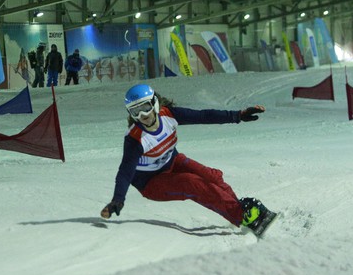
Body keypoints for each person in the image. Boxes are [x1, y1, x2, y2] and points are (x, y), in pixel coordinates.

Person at [100, 83, 270, 233]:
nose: (142, 115)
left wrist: (238, 115)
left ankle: (236, 207)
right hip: (151, 183)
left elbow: (204, 116)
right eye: (135, 111)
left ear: (154, 103)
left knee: (212, 176)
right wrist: (118, 199)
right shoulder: (135, 139)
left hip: (173, 161)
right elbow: (125, 172)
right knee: (192, 183)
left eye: (145, 107)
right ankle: (241, 216)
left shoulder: (169, 115)